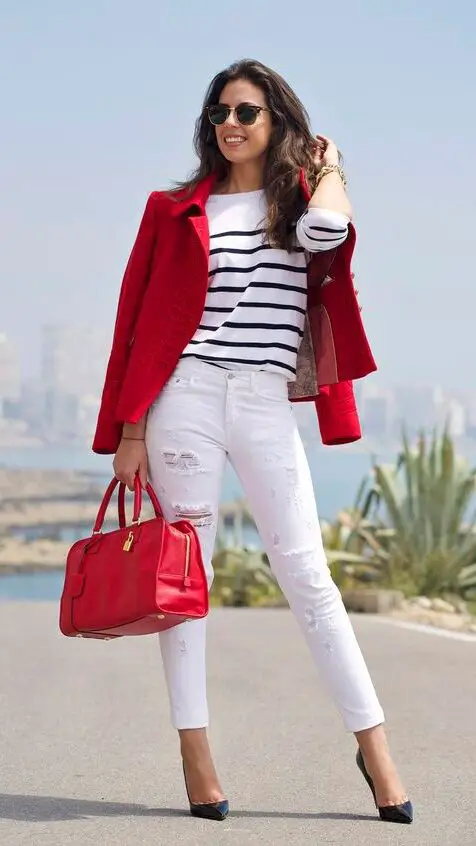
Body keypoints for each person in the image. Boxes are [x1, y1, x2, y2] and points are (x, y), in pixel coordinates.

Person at [93, 59, 413, 825]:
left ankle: (374, 749)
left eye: (246, 111)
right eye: (218, 112)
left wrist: (328, 164)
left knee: (307, 575)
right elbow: (132, 320)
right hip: (184, 398)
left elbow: (332, 231)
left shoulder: (297, 203)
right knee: (186, 579)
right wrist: (129, 428)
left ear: (277, 122)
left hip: (264, 401)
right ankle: (195, 752)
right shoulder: (170, 209)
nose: (229, 124)